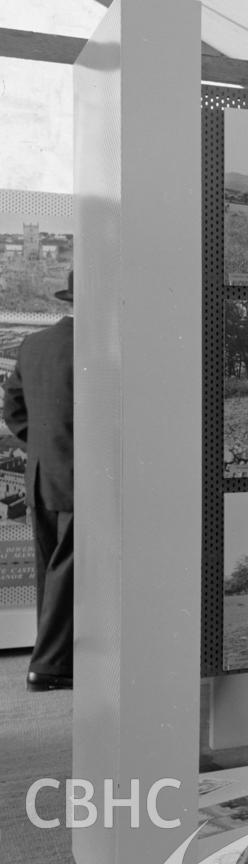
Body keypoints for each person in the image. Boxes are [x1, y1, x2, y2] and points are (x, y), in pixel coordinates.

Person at [3, 270, 74, 690]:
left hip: (41, 477)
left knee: (51, 572)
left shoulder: (35, 344)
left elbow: (14, 412)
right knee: (67, 571)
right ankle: (46, 666)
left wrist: (44, 445)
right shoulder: (106, 348)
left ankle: (56, 660)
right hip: (81, 479)